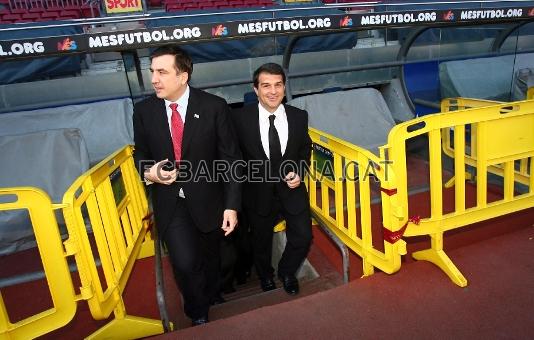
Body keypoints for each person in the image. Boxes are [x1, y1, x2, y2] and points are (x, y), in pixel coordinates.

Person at [133, 45, 241, 326]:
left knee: (213, 258)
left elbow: (231, 160)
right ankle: (197, 311)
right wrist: (149, 171)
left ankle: (213, 292)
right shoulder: (143, 111)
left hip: (209, 199)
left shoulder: (214, 107)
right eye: (152, 72)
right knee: (184, 263)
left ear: (183, 76)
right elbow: (140, 153)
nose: (154, 79)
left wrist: (231, 205)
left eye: (162, 72)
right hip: (170, 200)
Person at [231, 63, 312, 296]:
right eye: (266, 86)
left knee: (304, 236)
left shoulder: (299, 116)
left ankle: (287, 272)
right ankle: (265, 275)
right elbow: (234, 156)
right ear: (255, 89)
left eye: (278, 85)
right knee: (260, 240)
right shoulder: (239, 119)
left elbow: (305, 149)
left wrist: (299, 170)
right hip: (257, 193)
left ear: (285, 88)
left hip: (291, 189)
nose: (273, 91)